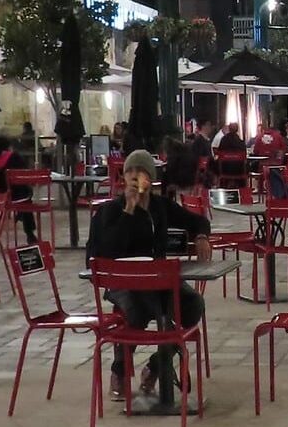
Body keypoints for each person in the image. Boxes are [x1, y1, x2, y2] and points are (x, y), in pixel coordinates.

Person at [86, 150, 208, 403]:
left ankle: (156, 364)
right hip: (122, 282)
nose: (134, 177)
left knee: (192, 305)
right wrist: (129, 211)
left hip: (159, 281)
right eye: (130, 172)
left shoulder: (160, 207)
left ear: (150, 179)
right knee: (138, 312)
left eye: (140, 172)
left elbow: (197, 221)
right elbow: (104, 252)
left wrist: (201, 236)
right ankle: (119, 371)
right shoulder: (110, 211)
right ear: (123, 177)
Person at [0, 134, 39, 242]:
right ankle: (30, 233)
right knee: (26, 199)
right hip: (19, 195)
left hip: (1, 196)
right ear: (8, 146)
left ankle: (19, 214)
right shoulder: (14, 157)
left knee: (24, 198)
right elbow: (25, 175)